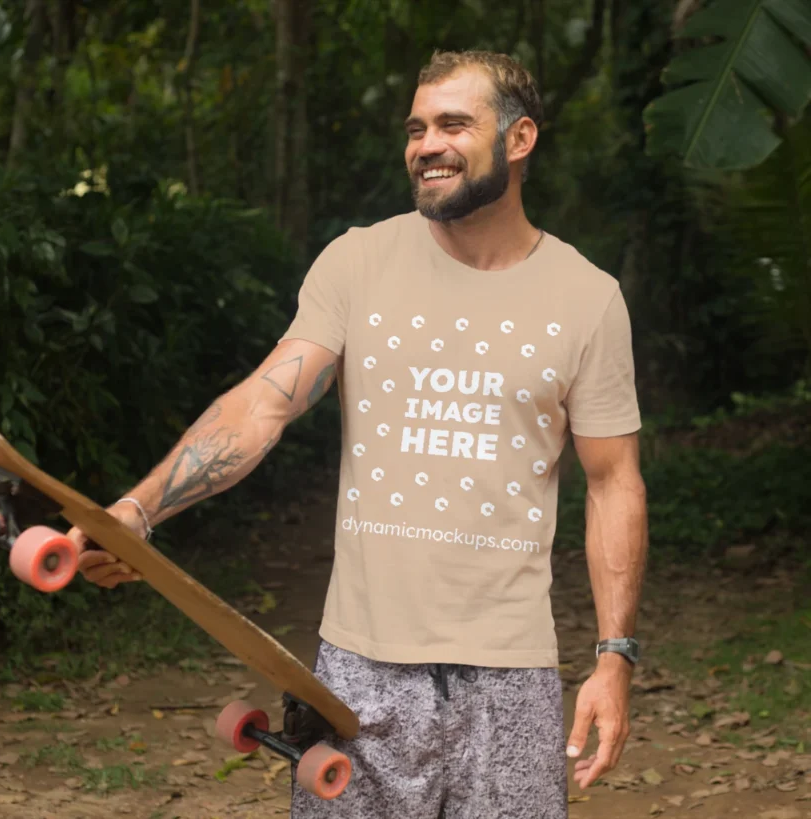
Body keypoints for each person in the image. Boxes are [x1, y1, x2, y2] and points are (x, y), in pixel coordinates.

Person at [69, 49, 648, 819]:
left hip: (511, 679)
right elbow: (262, 406)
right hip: (360, 674)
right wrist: (137, 512)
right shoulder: (359, 262)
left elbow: (614, 481)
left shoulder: (588, 298)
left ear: (519, 139)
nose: (425, 144)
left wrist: (615, 657)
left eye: (452, 123)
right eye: (416, 127)